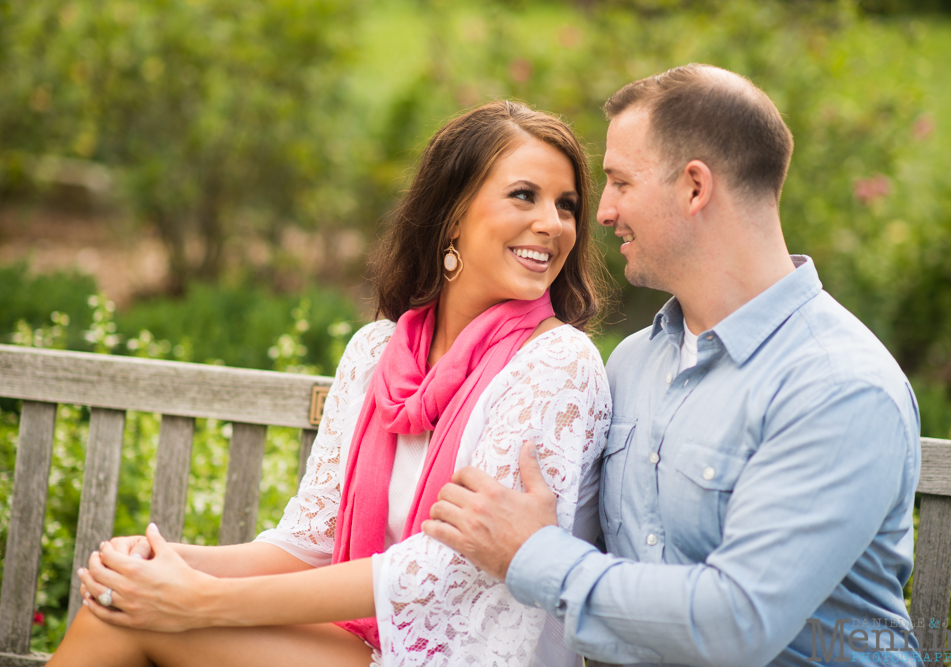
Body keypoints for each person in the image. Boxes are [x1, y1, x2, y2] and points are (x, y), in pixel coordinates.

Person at [51, 100, 612, 667]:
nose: (552, 224)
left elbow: (445, 567)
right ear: (453, 214)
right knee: (117, 601)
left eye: (566, 206)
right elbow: (309, 543)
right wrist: (162, 561)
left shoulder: (557, 363)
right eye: (525, 195)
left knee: (131, 620)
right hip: (368, 645)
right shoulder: (376, 354)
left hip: (459, 657)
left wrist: (203, 601)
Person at [424, 65, 923, 666]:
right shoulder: (633, 364)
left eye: (619, 183)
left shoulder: (839, 385)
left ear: (694, 188)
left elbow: (736, 623)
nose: (601, 214)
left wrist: (532, 554)